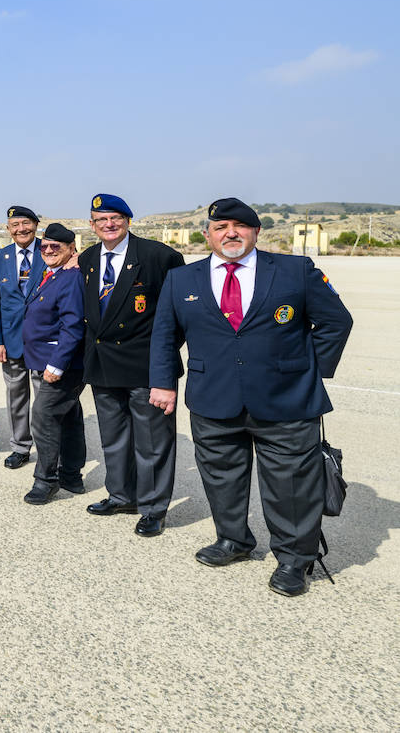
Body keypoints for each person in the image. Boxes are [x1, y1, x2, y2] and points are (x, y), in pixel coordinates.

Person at [150, 198, 352, 597]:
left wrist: (309, 371)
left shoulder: (296, 271)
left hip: (286, 401)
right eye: (221, 226)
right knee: (220, 476)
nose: (231, 233)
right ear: (207, 234)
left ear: (257, 232)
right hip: (213, 398)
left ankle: (295, 560)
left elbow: (336, 322)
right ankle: (233, 540)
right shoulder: (182, 280)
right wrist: (163, 382)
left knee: (291, 483)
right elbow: (164, 336)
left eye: (240, 226)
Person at [80, 193, 184, 538]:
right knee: (113, 438)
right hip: (104, 364)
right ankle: (121, 495)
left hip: (144, 365)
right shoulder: (88, 258)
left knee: (152, 441)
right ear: (92, 225)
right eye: (101, 220)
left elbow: (178, 317)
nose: (108, 225)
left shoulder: (158, 257)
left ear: (128, 220)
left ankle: (153, 508)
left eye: (115, 218)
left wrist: (164, 365)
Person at [20, 224, 88, 504]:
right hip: (47, 359)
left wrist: (57, 364)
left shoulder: (71, 278)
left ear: (72, 249)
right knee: (69, 417)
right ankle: (71, 475)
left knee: (44, 416)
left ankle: (46, 480)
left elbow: (73, 325)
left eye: (55, 247)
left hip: (62, 364)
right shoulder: (53, 275)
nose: (48, 251)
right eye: (44, 246)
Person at [0, 205, 46, 469]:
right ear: (8, 229)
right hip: (10, 341)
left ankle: (48, 449)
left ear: (36, 224)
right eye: (15, 225)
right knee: (16, 396)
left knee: (45, 399)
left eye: (26, 223)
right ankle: (21, 446)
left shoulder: (51, 250)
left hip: (44, 340)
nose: (21, 229)